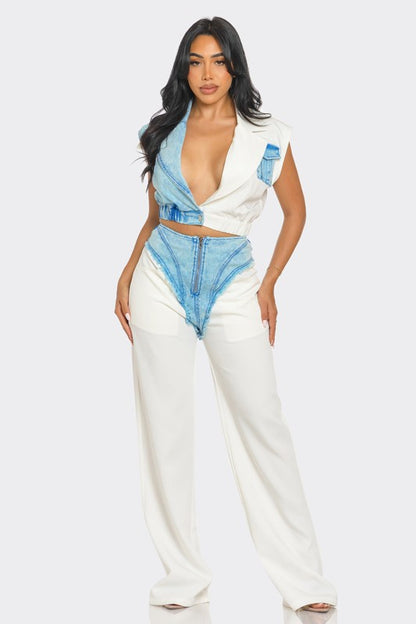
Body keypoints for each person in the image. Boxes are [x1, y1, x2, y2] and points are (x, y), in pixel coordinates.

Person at [115, 16, 338, 615]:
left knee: (262, 422)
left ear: (235, 66)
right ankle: (182, 580)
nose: (206, 73)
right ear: (183, 69)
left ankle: (305, 582)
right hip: (160, 274)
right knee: (164, 426)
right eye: (195, 61)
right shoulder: (162, 131)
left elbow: (296, 212)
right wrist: (127, 271)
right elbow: (155, 214)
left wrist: (270, 283)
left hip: (233, 278)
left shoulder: (269, 136)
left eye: (217, 60)